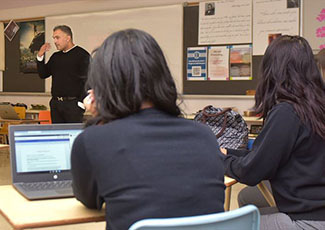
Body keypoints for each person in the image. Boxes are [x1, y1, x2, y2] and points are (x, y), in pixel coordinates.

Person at [70, 29, 225, 230]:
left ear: (104, 85)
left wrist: (99, 119)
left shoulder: (93, 140)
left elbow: (90, 200)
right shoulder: (204, 135)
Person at [222, 35, 325, 230]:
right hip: (316, 206)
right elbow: (267, 154)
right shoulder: (316, 105)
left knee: (232, 224)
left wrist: (220, 161)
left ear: (273, 69)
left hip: (308, 219)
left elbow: (252, 172)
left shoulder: (288, 112)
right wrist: (231, 154)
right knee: (248, 197)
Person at [37, 25, 90, 123]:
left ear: (68, 38)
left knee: (73, 135)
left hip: (73, 105)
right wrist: (40, 56)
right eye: (54, 38)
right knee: (57, 136)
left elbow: (89, 80)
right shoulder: (55, 57)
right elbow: (43, 74)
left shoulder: (82, 55)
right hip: (56, 104)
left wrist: (81, 103)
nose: (55, 41)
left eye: (57, 37)